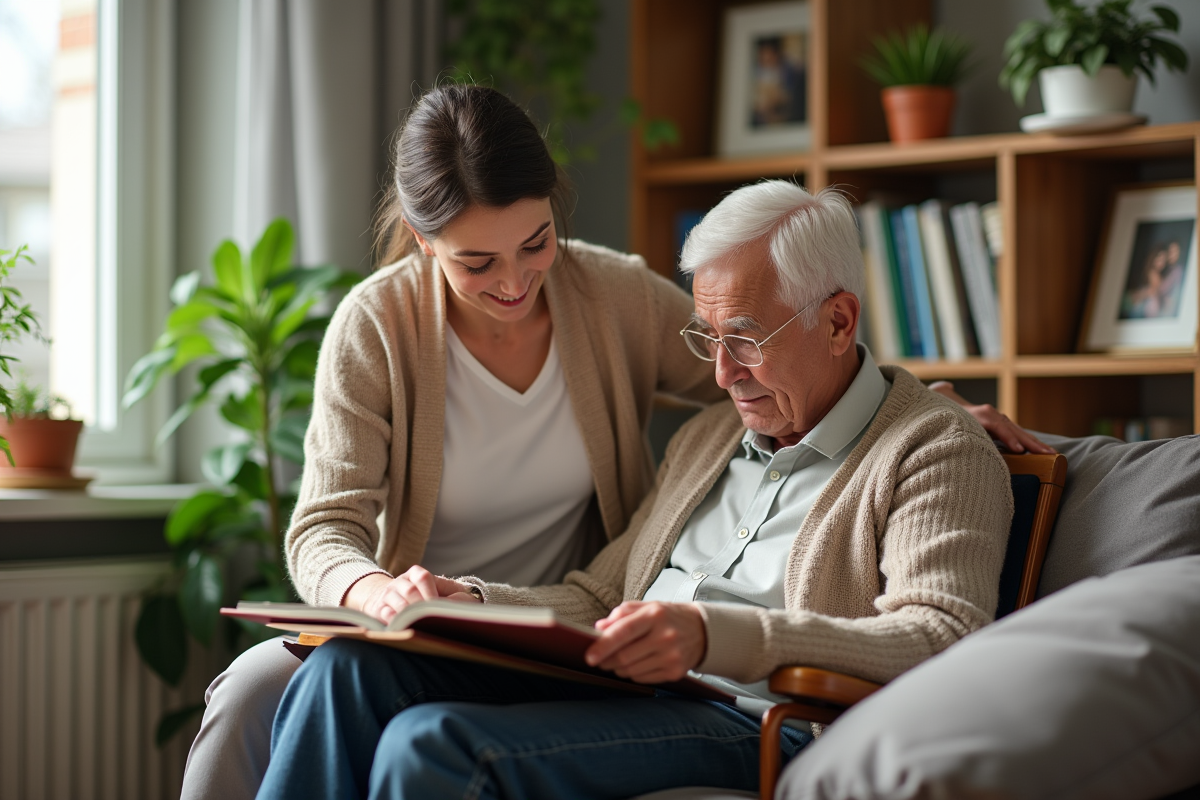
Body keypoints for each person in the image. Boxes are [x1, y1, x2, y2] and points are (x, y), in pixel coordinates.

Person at [256, 181, 1017, 800]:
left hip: (758, 716)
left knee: (436, 748)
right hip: (627, 683)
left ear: (840, 322)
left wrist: (714, 634)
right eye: (706, 341)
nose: (720, 376)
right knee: (348, 671)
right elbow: (598, 596)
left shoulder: (932, 448)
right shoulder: (710, 437)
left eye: (745, 340)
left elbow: (938, 633)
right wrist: (472, 604)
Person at [179, 84, 727, 800]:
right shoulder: (375, 325)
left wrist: (898, 396)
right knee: (248, 694)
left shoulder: (614, 295)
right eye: (476, 263)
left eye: (536, 243)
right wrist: (374, 591)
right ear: (420, 235)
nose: (513, 282)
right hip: (412, 635)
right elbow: (324, 529)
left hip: (552, 628)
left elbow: (755, 371)